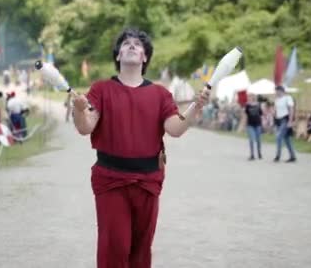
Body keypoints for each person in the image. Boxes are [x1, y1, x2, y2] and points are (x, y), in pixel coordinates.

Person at [71, 28, 208, 268]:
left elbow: (175, 128)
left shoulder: (160, 94)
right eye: (125, 43)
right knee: (115, 247)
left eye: (138, 44)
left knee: (141, 250)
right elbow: (86, 127)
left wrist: (195, 109)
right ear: (118, 56)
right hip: (111, 180)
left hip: (148, 182)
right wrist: (78, 110)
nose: (131, 46)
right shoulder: (101, 89)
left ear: (145, 57)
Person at [273, 85, 296, 162]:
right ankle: (292, 156)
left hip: (285, 119)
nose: (276, 92)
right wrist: (275, 118)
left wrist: (290, 121)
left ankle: (278, 156)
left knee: (279, 137)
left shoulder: (287, 98)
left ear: (281, 91)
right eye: (276, 91)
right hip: (279, 120)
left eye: (277, 91)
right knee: (287, 139)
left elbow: (291, 109)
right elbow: (276, 111)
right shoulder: (276, 100)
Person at [243, 93, 262, 160]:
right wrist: (244, 124)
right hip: (250, 124)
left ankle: (259, 152)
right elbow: (245, 115)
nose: (251, 98)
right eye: (250, 97)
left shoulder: (258, 105)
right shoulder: (247, 105)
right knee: (251, 139)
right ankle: (252, 154)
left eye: (252, 97)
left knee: (258, 140)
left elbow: (261, 114)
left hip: (258, 124)